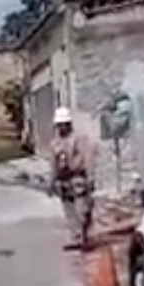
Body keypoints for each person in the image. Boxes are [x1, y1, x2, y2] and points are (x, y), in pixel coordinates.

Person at [49, 106, 95, 250]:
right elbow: (53, 163)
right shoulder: (55, 143)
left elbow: (88, 158)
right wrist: (51, 182)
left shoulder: (79, 139)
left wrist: (91, 177)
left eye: (64, 124)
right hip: (63, 180)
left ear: (69, 124)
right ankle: (77, 239)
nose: (61, 127)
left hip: (78, 177)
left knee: (83, 210)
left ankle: (85, 236)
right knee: (69, 211)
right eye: (59, 125)